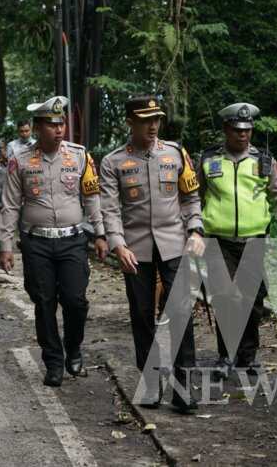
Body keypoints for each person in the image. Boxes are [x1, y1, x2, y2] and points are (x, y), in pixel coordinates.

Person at [99, 95, 204, 413]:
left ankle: (184, 389)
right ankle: (150, 385)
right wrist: (118, 244)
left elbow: (190, 197)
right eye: (145, 120)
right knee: (143, 316)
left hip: (174, 243)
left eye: (156, 119)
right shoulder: (113, 162)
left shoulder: (175, 153)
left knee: (181, 314)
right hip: (136, 248)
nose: (153, 125)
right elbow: (109, 209)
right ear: (130, 123)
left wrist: (195, 230)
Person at [0, 96, 108, 387]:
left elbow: (92, 196)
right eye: (51, 124)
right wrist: (5, 246)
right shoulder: (20, 160)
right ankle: (54, 362)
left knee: (75, 300)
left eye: (61, 124)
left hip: (72, 240)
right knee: (44, 302)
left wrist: (100, 234)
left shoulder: (80, 156)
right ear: (37, 128)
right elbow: (10, 204)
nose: (59, 129)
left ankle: (73, 347)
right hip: (37, 243)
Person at [197, 103, 277, 379]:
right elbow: (194, 197)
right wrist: (192, 231)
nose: (243, 135)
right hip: (218, 240)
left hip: (255, 240)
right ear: (226, 130)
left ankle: (248, 356)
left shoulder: (264, 161)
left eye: (247, 130)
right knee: (224, 298)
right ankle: (225, 356)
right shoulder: (208, 159)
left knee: (252, 302)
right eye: (237, 130)